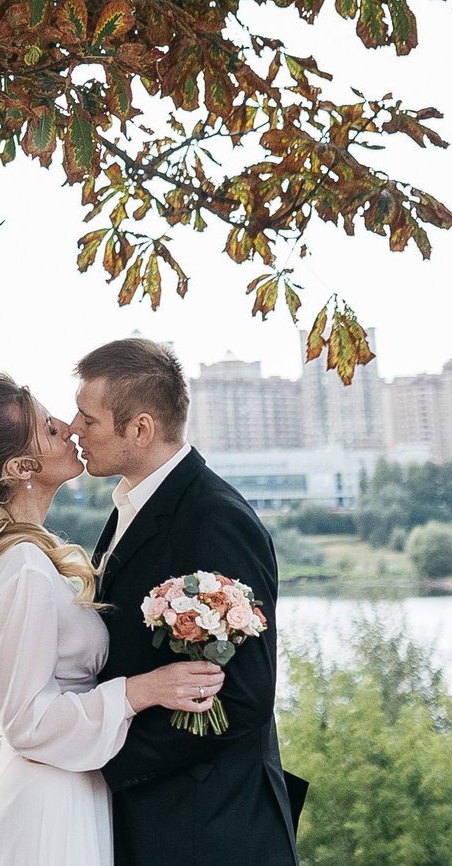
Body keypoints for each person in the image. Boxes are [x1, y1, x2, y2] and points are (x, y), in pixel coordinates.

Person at [0, 372, 228, 866]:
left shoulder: (22, 558)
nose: (70, 429)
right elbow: (28, 721)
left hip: (65, 785)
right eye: (51, 429)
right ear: (23, 467)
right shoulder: (22, 567)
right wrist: (144, 690)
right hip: (48, 806)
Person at [69, 338, 305, 866]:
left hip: (209, 828)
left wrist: (103, 760)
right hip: (158, 822)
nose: (74, 429)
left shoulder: (216, 519)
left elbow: (244, 695)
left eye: (88, 418)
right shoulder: (134, 502)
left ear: (140, 428)